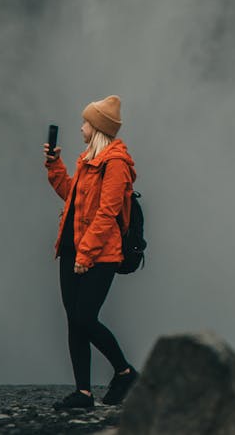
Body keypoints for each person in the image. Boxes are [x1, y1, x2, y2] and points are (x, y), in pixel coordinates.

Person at [44, 95, 140, 409]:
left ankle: (125, 372)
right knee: (75, 320)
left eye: (86, 122)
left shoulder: (116, 163)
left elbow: (107, 213)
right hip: (72, 249)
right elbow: (72, 198)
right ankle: (83, 393)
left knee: (85, 318)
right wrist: (54, 166)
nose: (82, 127)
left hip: (100, 255)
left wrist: (86, 255)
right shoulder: (87, 160)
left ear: (98, 128)